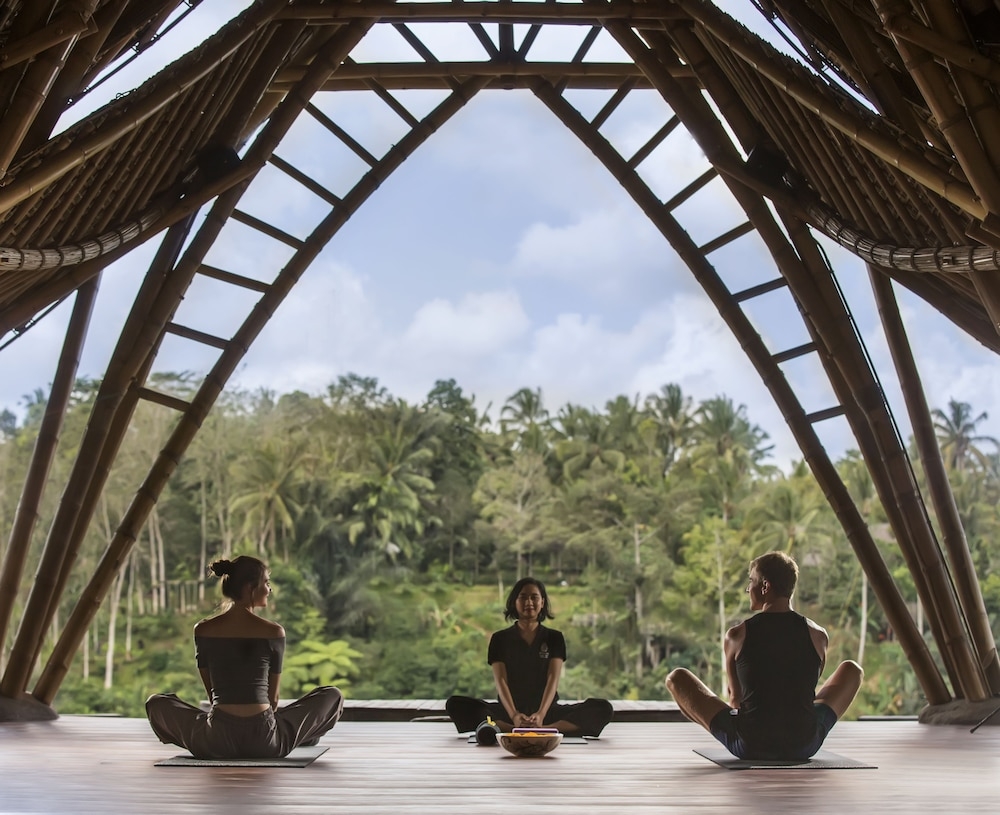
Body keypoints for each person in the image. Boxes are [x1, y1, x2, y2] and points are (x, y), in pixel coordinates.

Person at [665, 551, 863, 761]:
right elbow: (806, 690)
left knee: (676, 678)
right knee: (853, 670)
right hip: (804, 744)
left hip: (751, 745)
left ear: (765, 586)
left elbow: (735, 700)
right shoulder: (818, 635)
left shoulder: (737, 635)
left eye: (751, 581)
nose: (748, 588)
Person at [145, 555, 344, 758]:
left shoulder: (203, 629)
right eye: (266, 582)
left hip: (216, 741)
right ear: (250, 587)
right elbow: (272, 700)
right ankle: (298, 733)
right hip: (265, 742)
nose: (269, 589)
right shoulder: (274, 632)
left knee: (157, 703)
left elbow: (212, 697)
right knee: (332, 695)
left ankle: (291, 731)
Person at [446, 576, 613, 742]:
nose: (529, 602)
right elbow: (501, 680)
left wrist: (541, 714)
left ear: (542, 602)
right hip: (508, 712)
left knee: (602, 708)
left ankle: (543, 730)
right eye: (523, 597)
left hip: (547, 712)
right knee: (456, 704)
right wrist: (514, 715)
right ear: (514, 602)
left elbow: (552, 679)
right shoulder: (500, 638)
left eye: (534, 597)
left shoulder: (554, 637)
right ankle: (513, 729)